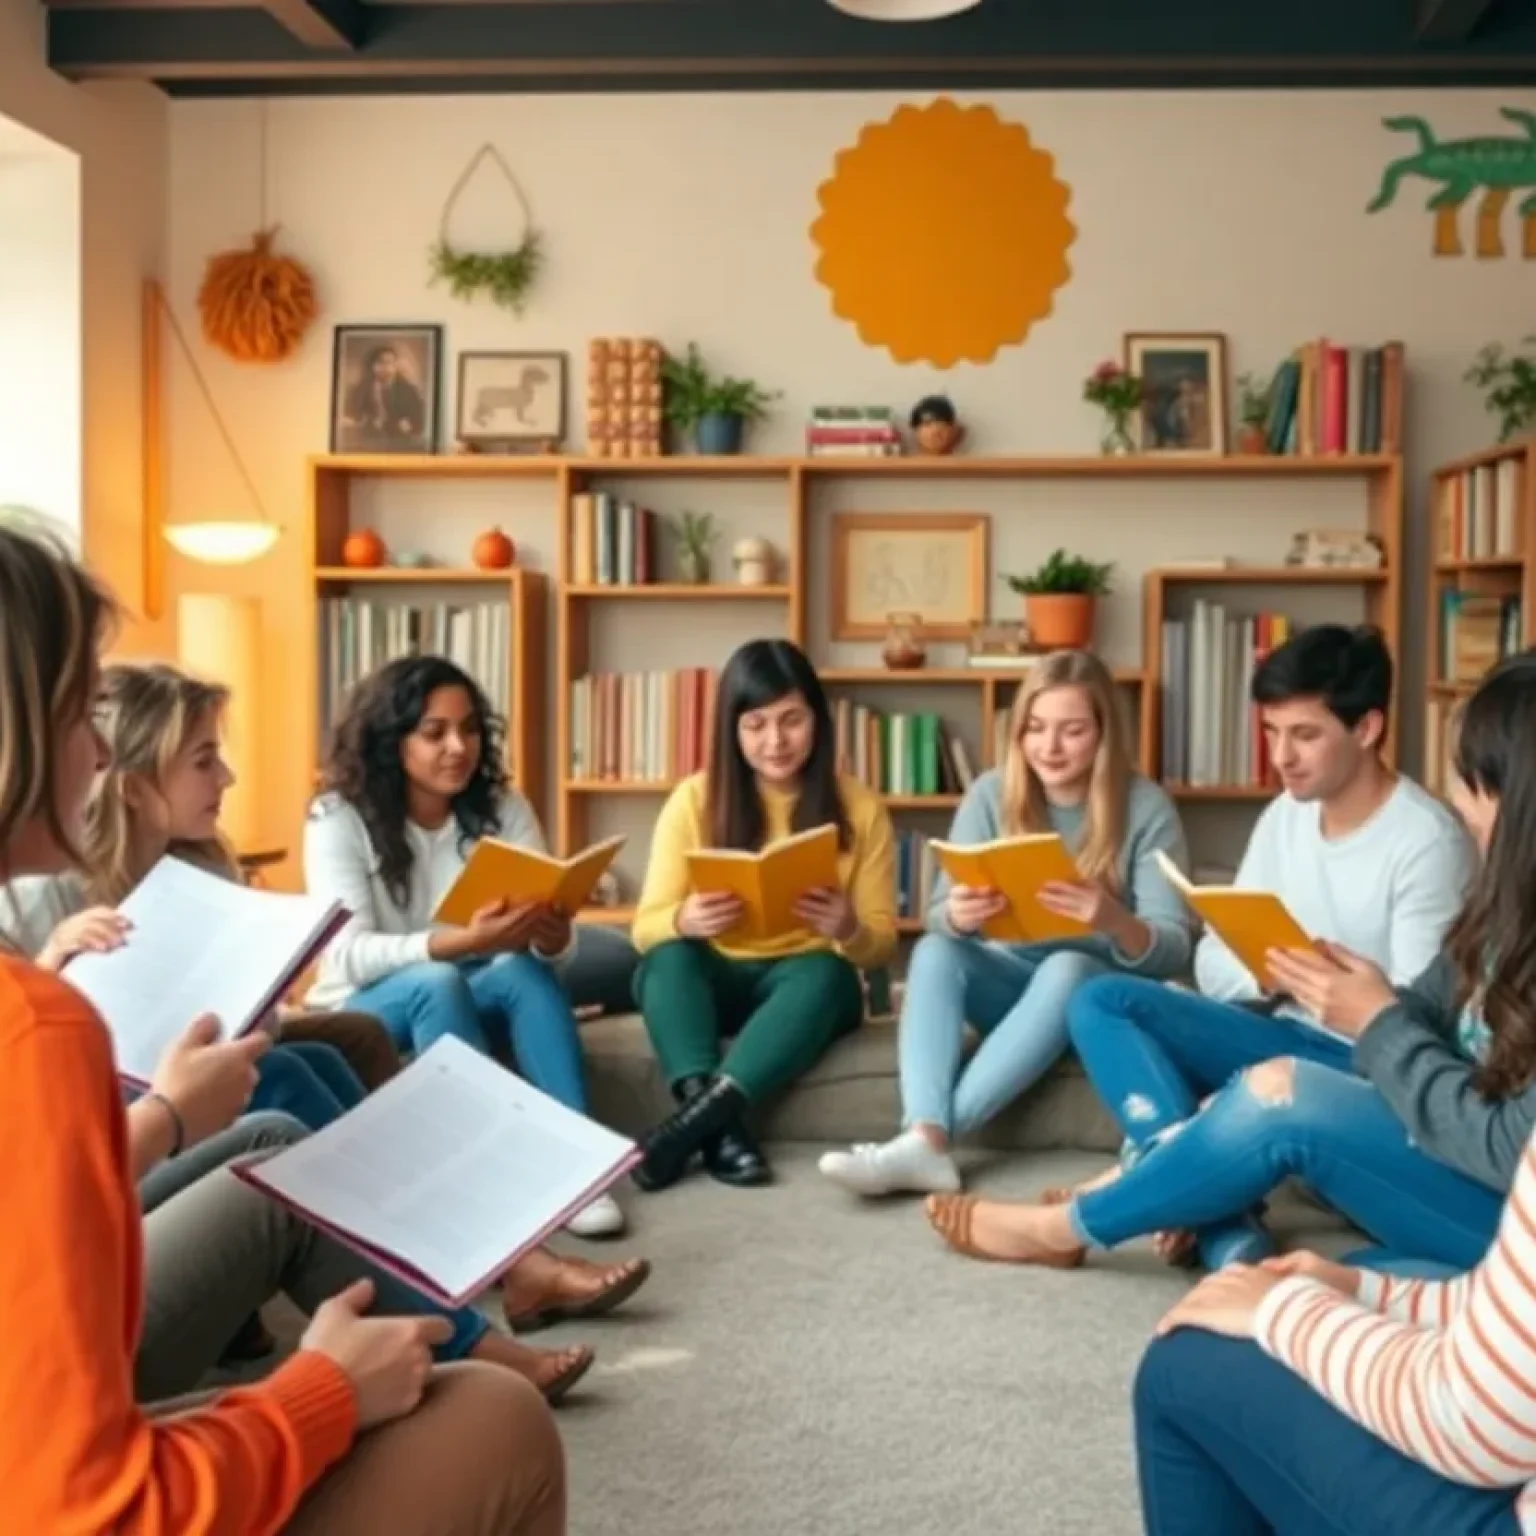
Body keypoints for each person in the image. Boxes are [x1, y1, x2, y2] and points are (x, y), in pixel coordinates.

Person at [0, 524, 567, 1535]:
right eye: (83, 706)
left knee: (329, 1084)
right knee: (499, 1420)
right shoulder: (34, 1021)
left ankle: (471, 1260)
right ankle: (472, 1292)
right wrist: (318, 1395)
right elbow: (78, 1508)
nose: (96, 742)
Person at [926, 626, 1509, 1278]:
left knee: (1279, 1094)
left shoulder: (1427, 841)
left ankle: (1150, 1211)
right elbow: (1212, 958)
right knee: (1101, 998)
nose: (1282, 756)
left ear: (1368, 728)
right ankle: (1205, 1204)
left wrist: (1349, 1000)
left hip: (1361, 1059)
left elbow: (1415, 1031)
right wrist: (1275, 978)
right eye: (1272, 732)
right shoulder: (1286, 814)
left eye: (1305, 735)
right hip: (1286, 1022)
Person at [1134, 657, 1536, 1530]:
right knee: (1358, 1271)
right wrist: (1361, 1002)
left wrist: (1289, 1315)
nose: (1461, 802)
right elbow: (1420, 1006)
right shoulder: (1502, 914)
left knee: (1191, 1351)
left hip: (1470, 1191)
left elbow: (1483, 1424)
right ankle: (1184, 1180)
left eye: (1474, 782)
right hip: (1387, 1096)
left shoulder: (1426, 843)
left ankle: (1091, 1217)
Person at [819, 649, 1193, 1197]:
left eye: (1072, 731)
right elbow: (938, 916)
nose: (1050, 747)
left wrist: (1114, 920)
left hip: (1093, 1002)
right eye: (1036, 728)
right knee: (933, 950)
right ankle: (923, 1134)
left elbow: (1176, 947)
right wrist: (959, 916)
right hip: (1009, 987)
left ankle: (930, 1144)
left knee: (1068, 966)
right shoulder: (991, 793)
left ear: (1104, 733)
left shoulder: (1145, 805)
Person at [302, 654, 628, 1239]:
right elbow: (343, 956)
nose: (459, 746)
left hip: (474, 978)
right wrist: (456, 942)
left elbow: (552, 948)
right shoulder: (336, 819)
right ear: (391, 740)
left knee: (519, 970)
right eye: (435, 733)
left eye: (470, 728)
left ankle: (581, 1171)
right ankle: (482, 1178)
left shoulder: (504, 808)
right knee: (438, 980)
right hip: (362, 1004)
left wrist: (554, 936)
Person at [0, 661, 398, 1130]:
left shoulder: (201, 872)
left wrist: (259, 983)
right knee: (282, 1072)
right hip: (95, 1109)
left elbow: (258, 1031)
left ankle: (400, 1180)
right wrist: (50, 967)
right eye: (203, 761)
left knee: (326, 1054)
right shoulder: (42, 892)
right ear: (133, 788)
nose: (227, 777)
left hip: (170, 1077)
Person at [628, 638, 897, 1191]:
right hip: (720, 979)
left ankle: (685, 1129)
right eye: (755, 724)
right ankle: (715, 1126)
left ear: (817, 721)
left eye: (791, 720)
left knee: (829, 974)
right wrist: (684, 919)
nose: (775, 741)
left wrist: (847, 926)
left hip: (805, 988)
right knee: (665, 960)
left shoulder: (861, 808)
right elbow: (644, 927)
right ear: (732, 729)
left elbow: (881, 945)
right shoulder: (694, 799)